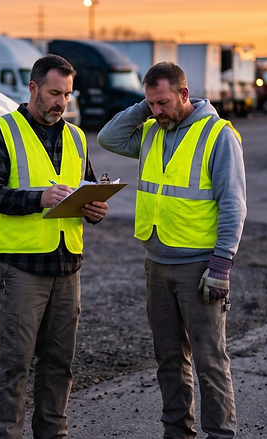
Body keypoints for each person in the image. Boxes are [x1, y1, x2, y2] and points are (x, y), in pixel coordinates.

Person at [97, 62, 246, 439]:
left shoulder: (218, 135)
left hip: (199, 266)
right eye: (151, 104)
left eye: (163, 102)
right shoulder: (150, 130)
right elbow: (108, 138)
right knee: (168, 358)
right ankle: (177, 432)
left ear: (184, 94)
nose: (157, 111)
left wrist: (221, 265)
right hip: (157, 263)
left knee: (210, 359)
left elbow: (234, 203)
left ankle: (220, 434)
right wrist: (144, 108)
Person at [0, 54, 109, 439]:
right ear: (33, 88)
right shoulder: (1, 131)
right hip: (22, 269)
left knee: (59, 363)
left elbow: (82, 188)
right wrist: (39, 199)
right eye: (54, 93)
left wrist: (94, 209)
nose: (60, 103)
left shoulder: (76, 136)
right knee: (15, 364)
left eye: (67, 95)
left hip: (67, 267)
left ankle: (53, 433)